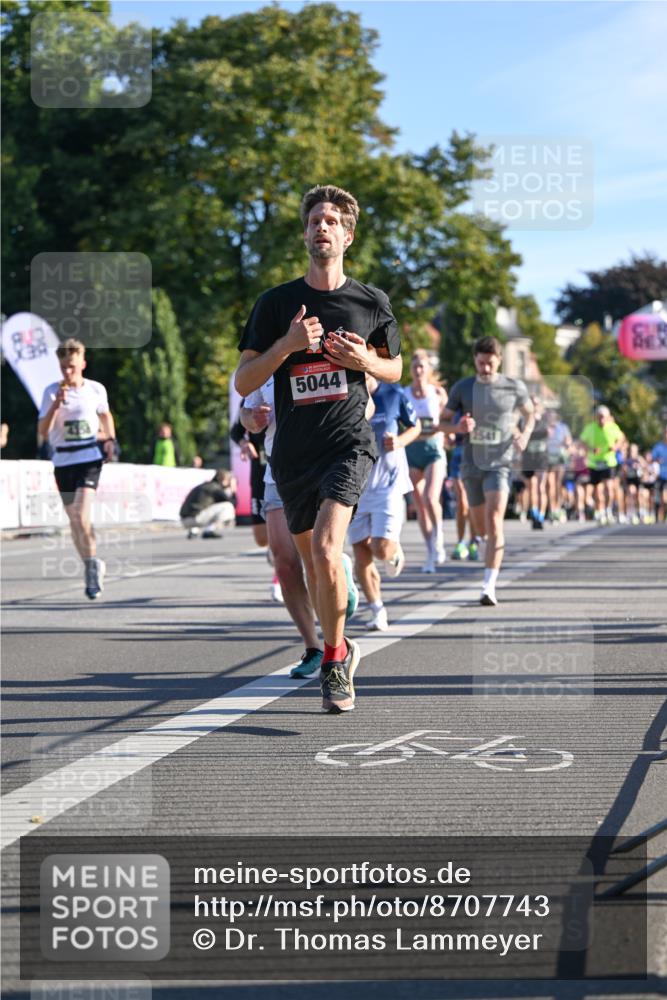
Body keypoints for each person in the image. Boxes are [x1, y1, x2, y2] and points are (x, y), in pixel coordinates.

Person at [235, 184, 402, 713]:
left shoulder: (370, 302)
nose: (322, 228)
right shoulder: (275, 304)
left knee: (330, 550)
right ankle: (342, 643)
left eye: (331, 221)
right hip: (293, 456)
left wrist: (365, 363)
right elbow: (243, 381)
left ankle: (333, 660)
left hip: (348, 445)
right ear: (305, 233)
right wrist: (286, 345)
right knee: (313, 566)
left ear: (347, 235)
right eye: (314, 221)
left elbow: (393, 366)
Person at [439, 335, 534, 607]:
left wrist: (525, 434)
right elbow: (441, 423)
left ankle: (488, 585)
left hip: (500, 462)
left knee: (494, 521)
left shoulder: (513, 387)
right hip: (471, 464)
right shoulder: (463, 388)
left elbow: (530, 414)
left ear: (499, 361)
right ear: (475, 361)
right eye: (481, 363)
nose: (486, 369)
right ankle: (480, 541)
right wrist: (457, 429)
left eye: (491, 364)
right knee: (480, 525)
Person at [37, 338, 116, 599]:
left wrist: (111, 440)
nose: (67, 372)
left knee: (81, 515)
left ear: (82, 363)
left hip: (89, 459)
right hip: (63, 461)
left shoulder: (95, 389)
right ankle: (91, 562)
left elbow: (105, 415)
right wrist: (56, 405)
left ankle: (92, 569)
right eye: (63, 367)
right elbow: (43, 432)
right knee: (74, 521)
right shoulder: (51, 391)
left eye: (71, 366)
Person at [348, 375, 421, 630]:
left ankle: (394, 551)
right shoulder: (344, 393)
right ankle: (377, 609)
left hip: (388, 485)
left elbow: (415, 426)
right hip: (355, 485)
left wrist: (400, 441)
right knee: (360, 553)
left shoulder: (393, 394)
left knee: (379, 549)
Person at [404, 350, 449, 572]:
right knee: (419, 505)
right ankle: (430, 551)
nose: (419, 370)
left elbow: (448, 419)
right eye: (415, 366)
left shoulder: (438, 393)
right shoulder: (404, 394)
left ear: (429, 370)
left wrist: (450, 434)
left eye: (422, 366)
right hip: (412, 452)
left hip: (434, 451)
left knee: (431, 498)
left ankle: (439, 536)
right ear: (411, 370)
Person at [579, 405, 625, 523]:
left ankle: (608, 510)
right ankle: (600, 511)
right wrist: (590, 449)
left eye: (603, 417)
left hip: (609, 461)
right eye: (599, 417)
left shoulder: (613, 427)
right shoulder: (590, 428)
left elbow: (621, 439)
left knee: (609, 488)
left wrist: (615, 447)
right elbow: (582, 442)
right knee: (598, 491)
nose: (601, 420)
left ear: (608, 417)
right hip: (594, 463)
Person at [179, 469, 237, 538]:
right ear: (223, 479)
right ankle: (209, 530)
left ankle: (194, 530)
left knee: (206, 507)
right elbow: (233, 503)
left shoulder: (204, 485)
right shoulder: (215, 488)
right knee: (227, 506)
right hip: (195, 519)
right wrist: (233, 490)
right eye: (228, 480)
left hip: (184, 519)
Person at [521, 397, 550, 530]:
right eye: (531, 403)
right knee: (531, 486)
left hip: (541, 457)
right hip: (528, 457)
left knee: (540, 487)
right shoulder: (523, 419)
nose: (533, 405)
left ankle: (541, 516)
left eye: (536, 403)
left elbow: (548, 433)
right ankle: (534, 512)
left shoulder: (545, 419)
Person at [650, 427, 667, 523]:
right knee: (658, 498)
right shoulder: (658, 447)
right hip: (659, 477)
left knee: (665, 498)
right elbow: (652, 459)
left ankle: (663, 516)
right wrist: (656, 461)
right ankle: (658, 516)